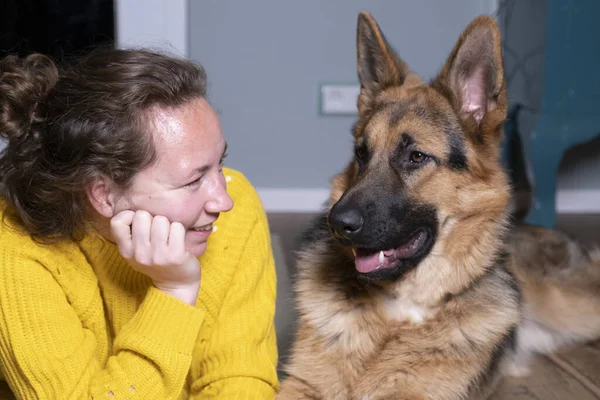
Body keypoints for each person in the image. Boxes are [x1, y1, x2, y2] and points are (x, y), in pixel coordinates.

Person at [0, 48, 279, 399]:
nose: (224, 200)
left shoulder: (236, 212)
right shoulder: (13, 254)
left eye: (219, 164)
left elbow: (242, 379)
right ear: (103, 194)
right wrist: (173, 293)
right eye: (193, 180)